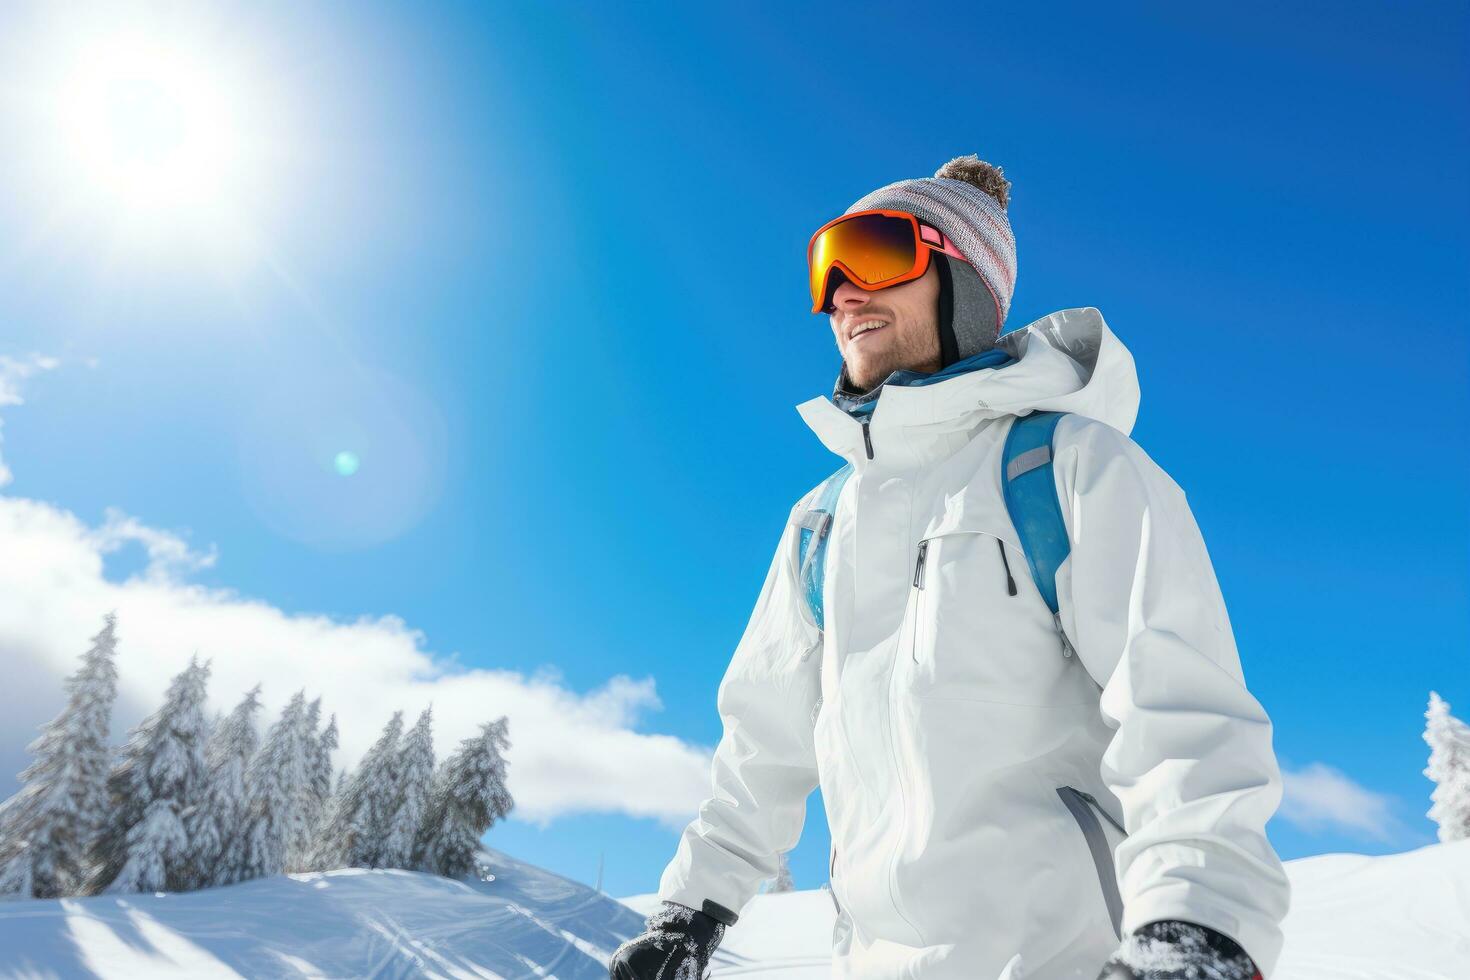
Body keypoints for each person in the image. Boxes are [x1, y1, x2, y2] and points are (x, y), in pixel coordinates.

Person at [610, 156, 1290, 980]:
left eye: (876, 253)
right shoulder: (820, 523)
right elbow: (762, 743)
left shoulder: (1068, 468)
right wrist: (690, 912)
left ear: (963, 281)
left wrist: (1197, 926)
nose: (844, 294)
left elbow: (1185, 718)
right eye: (827, 270)